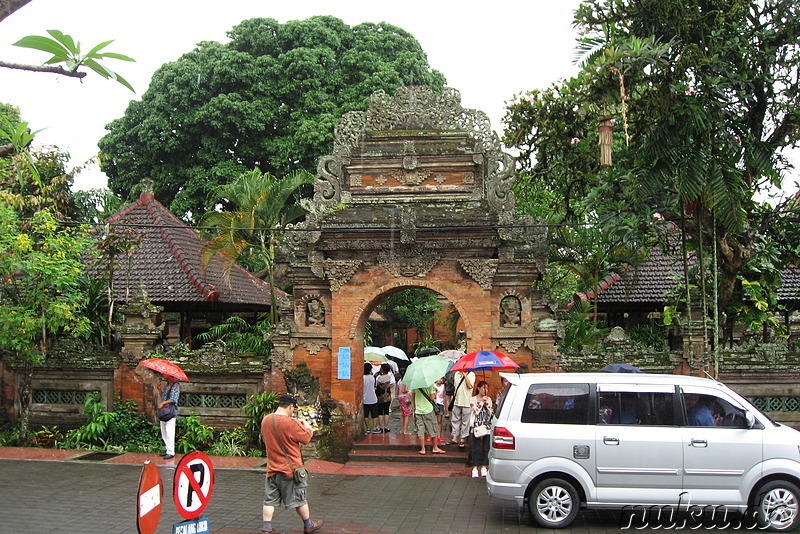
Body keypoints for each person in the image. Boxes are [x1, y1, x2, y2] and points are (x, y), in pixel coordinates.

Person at [260, 394, 323, 534]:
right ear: (290, 406)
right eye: (293, 408)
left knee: (270, 499)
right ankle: (308, 524)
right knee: (300, 497)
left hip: (272, 467)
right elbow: (306, 438)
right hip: (290, 469)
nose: (293, 411)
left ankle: (266, 528)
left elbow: (265, 439)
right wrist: (307, 426)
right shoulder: (290, 423)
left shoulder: (266, 420)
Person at [411, 384, 446, 455]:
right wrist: (435, 392)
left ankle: (423, 449)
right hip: (428, 410)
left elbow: (412, 398)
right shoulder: (430, 385)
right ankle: (435, 447)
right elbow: (432, 397)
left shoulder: (415, 385)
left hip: (418, 410)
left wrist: (413, 409)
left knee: (420, 430)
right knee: (433, 428)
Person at [470, 381, 494, 477]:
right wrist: (481, 402)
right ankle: (475, 468)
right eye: (484, 388)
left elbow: (491, 412)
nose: (485, 390)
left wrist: (488, 404)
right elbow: (475, 411)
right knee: (476, 448)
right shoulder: (472, 399)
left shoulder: (489, 399)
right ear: (478, 388)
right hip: (477, 425)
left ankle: (484, 466)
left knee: (486, 448)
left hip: (486, 425)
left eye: (487, 388)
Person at [448, 370, 475, 448]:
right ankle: (455, 437)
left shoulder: (472, 374)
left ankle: (463, 438)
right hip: (457, 401)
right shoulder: (456, 374)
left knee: (465, 422)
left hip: (467, 402)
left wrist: (465, 376)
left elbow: (470, 386)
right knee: (455, 420)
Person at [157, 374, 180, 459]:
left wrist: (163, 403)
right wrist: (159, 389)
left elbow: (173, 399)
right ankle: (167, 449)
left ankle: (171, 452)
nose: (163, 375)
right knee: (164, 432)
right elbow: (164, 397)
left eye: (164, 374)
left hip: (170, 411)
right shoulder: (167, 385)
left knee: (169, 431)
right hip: (164, 411)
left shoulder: (175, 385)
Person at [375, 363, 393, 432]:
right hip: (387, 396)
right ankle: (386, 426)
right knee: (386, 412)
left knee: (380, 412)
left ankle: (380, 426)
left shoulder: (380, 378)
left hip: (380, 396)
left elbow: (377, 385)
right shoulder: (389, 377)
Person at [363, 362, 380, 433]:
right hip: (373, 398)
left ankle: (368, 428)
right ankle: (374, 427)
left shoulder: (362, 378)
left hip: (364, 398)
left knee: (365, 415)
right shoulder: (372, 378)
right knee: (375, 414)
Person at [434, 378, 446, 444]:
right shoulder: (433, 386)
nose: (440, 380)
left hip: (440, 404)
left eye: (441, 378)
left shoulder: (443, 387)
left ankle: (439, 435)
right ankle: (432, 434)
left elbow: (444, 396)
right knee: (433, 420)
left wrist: (445, 405)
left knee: (439, 421)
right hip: (434, 404)